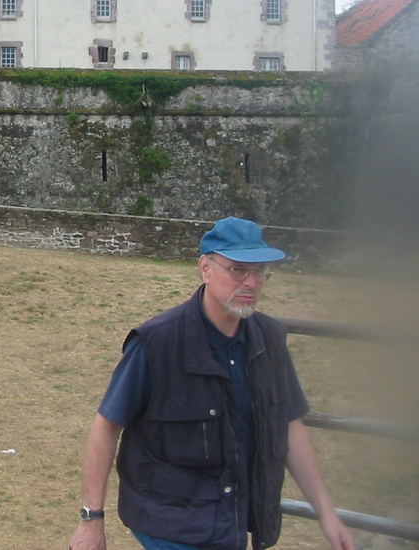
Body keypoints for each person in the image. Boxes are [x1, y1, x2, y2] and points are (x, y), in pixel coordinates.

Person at [69, 217, 355, 550]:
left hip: (233, 521)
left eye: (260, 271)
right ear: (205, 268)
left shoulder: (270, 338)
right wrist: (91, 520)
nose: (251, 282)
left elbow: (290, 426)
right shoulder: (157, 341)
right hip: (170, 523)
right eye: (237, 269)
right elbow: (106, 425)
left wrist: (326, 513)